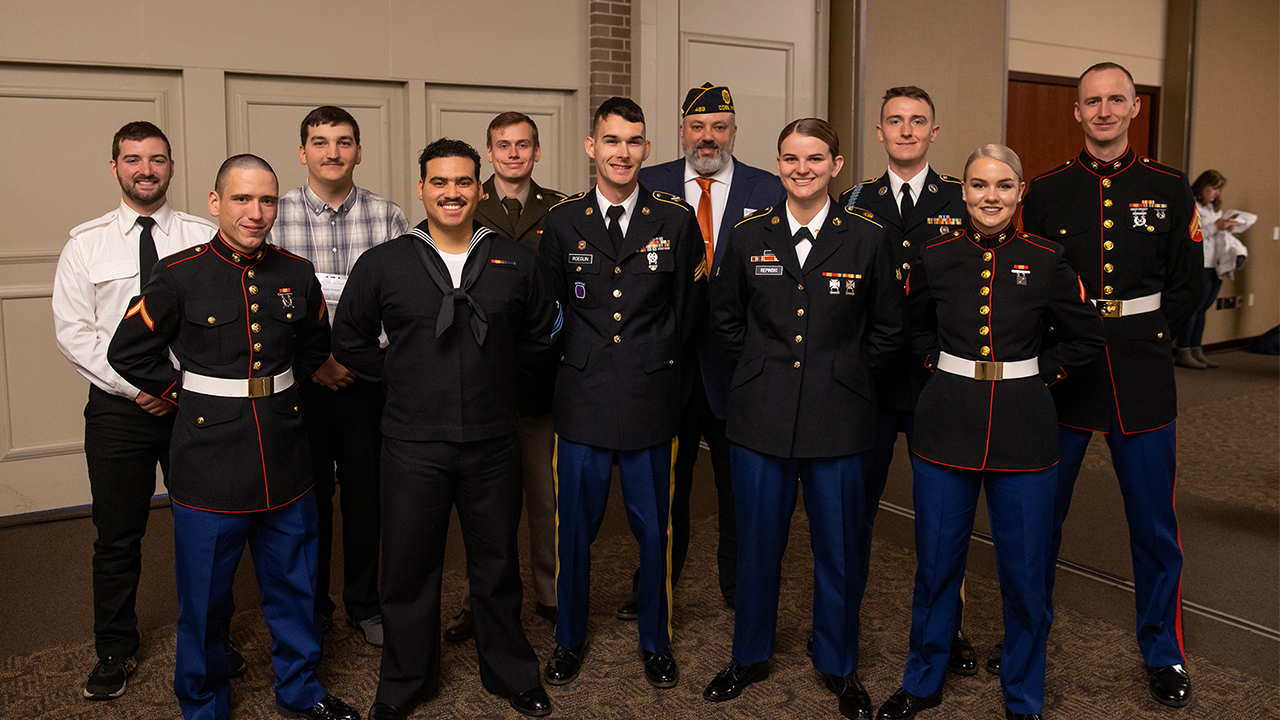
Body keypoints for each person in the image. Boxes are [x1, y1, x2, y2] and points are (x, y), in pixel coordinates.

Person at [107, 154, 358, 720]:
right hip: (208, 458)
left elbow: (315, 345)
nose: (256, 212)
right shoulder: (180, 273)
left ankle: (300, 688)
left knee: (294, 586)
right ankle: (202, 702)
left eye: (267, 200)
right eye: (242, 199)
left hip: (286, 451)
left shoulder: (296, 272)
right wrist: (184, 395)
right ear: (216, 203)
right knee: (205, 599)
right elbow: (126, 351)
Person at [876, 145, 1105, 720]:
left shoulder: (1047, 258)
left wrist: (1039, 375)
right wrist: (938, 367)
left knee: (1025, 576)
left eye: (1003, 186)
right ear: (964, 193)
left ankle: (1024, 696)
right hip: (947, 425)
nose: (990, 197)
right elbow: (914, 327)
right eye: (979, 186)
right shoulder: (936, 255)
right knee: (935, 569)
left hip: (1024, 432)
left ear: (1020, 192)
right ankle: (923, 680)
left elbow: (1087, 336)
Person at [333, 138, 557, 720]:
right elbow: (349, 339)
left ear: (478, 189)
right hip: (411, 445)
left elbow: (541, 338)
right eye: (440, 182)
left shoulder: (514, 261)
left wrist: (503, 381)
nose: (451, 193)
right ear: (422, 189)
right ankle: (406, 681)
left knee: (496, 564)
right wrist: (400, 377)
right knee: (407, 568)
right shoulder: (384, 263)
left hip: (493, 443)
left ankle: (510, 672)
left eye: (462, 183)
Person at [703, 118, 904, 720]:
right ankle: (749, 656)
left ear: (835, 166)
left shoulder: (867, 238)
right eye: (790, 159)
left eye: (814, 159)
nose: (801, 169)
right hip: (761, 418)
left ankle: (839, 665)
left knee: (839, 550)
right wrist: (766, 369)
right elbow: (726, 319)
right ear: (780, 164)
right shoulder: (749, 234)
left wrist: (839, 374)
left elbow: (889, 329)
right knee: (758, 546)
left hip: (839, 421)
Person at [1020, 62, 1203, 709]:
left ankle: (1163, 650)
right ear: (1077, 112)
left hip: (1140, 375)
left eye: (1115, 100)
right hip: (1067, 377)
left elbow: (1188, 283)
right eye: (1091, 101)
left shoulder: (1168, 186)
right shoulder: (1044, 192)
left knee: (1154, 528)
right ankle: (1026, 639)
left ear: (1133, 109)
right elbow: (1032, 281)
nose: (1102, 110)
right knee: (1039, 523)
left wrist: (1151, 335)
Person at [52, 121, 247, 701]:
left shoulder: (199, 235)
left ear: (170, 166)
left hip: (196, 407)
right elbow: (74, 331)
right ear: (114, 166)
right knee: (117, 532)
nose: (145, 169)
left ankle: (214, 639)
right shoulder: (85, 243)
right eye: (133, 159)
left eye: (157, 159)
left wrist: (179, 390)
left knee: (208, 528)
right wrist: (137, 386)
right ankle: (114, 647)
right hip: (119, 409)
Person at [537, 96, 705, 690]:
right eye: (612, 141)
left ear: (647, 149)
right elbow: (549, 310)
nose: (623, 152)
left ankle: (655, 641)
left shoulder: (675, 219)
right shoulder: (562, 222)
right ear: (592, 147)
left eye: (634, 142)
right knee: (573, 532)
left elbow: (687, 315)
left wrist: (657, 366)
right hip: (581, 396)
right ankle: (569, 638)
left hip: (650, 398)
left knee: (654, 531)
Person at [608, 82, 783, 619]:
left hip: (739, 369)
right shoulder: (649, 181)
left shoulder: (770, 188)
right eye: (698, 127)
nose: (709, 137)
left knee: (740, 491)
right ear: (682, 131)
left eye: (720, 127)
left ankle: (739, 586)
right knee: (665, 491)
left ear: (734, 131)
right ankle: (654, 585)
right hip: (668, 368)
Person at [837, 86, 976, 675]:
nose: (906, 130)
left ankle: (951, 629)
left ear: (934, 132)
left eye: (918, 121)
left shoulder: (959, 200)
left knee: (942, 518)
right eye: (895, 121)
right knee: (853, 515)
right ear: (879, 132)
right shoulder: (852, 201)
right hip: (867, 381)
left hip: (933, 380)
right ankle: (843, 627)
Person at [269, 105, 408, 646]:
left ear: (358, 150)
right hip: (300, 384)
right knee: (306, 502)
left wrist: (357, 361)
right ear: (303, 152)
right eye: (320, 142)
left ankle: (364, 602)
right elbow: (263, 307)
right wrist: (315, 363)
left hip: (368, 383)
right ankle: (314, 606)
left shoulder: (389, 217)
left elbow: (401, 305)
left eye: (344, 142)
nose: (333, 153)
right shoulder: (271, 216)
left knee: (366, 498)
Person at [443, 112, 565, 642]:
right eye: (502, 146)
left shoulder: (561, 209)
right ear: (488, 154)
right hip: (477, 375)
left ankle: (552, 594)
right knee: (483, 504)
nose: (513, 154)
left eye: (523, 146)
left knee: (545, 496)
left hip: (541, 375)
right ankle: (480, 600)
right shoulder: (464, 202)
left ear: (537, 152)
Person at [1174, 169, 1237, 369]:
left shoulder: (1213, 209)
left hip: (1215, 264)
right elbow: (1192, 234)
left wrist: (1225, 226)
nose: (1216, 193)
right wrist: (1215, 227)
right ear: (1203, 187)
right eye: (1214, 188)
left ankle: (1196, 349)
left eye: (1219, 190)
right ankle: (1184, 350)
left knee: (1203, 309)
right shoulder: (1192, 205)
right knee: (1193, 308)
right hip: (1198, 264)